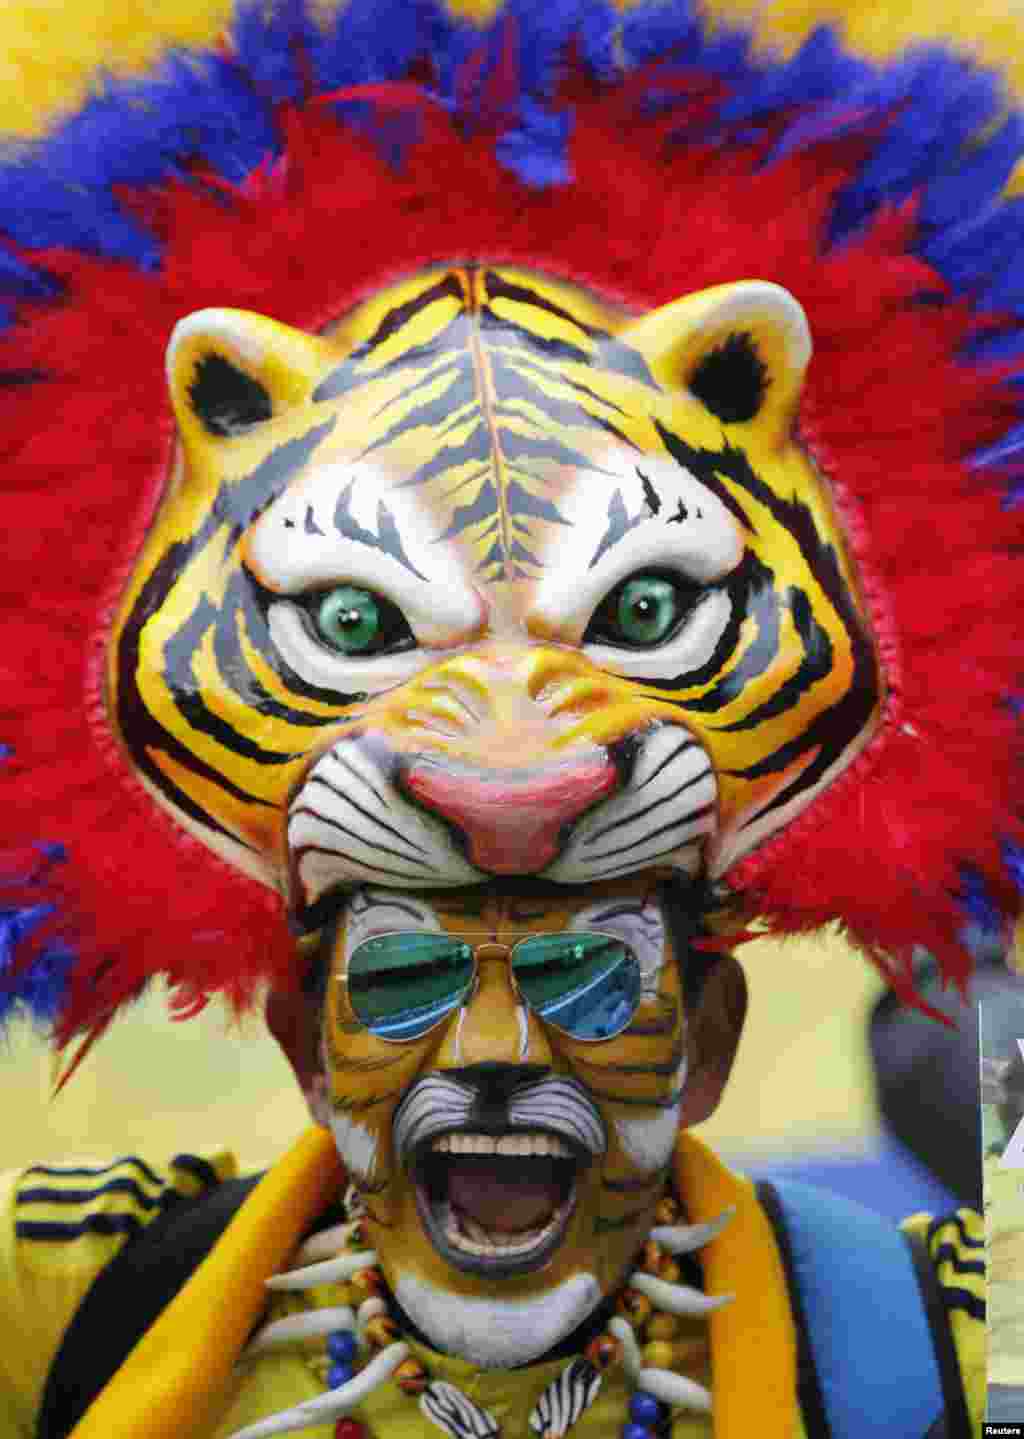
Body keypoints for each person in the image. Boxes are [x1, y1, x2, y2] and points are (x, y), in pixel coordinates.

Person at [0, 2, 1021, 1435]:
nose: (494, 1056)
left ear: (711, 1043)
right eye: (406, 981)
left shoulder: (941, 1335)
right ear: (301, 1044)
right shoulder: (75, 1287)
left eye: (593, 987)